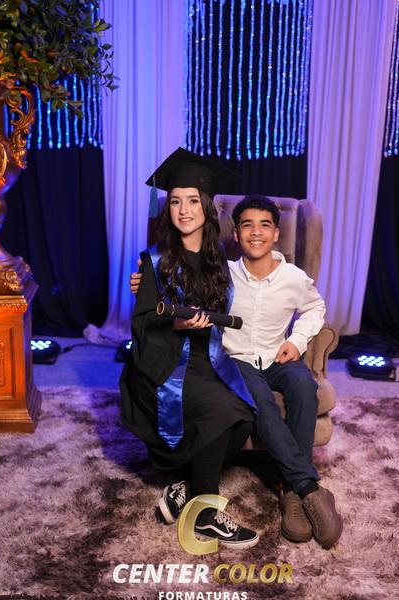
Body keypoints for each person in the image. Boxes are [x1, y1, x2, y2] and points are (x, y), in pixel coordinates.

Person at [131, 193, 343, 550]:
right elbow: (181, 281)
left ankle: (291, 488)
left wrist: (298, 340)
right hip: (238, 361)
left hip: (278, 358)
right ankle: (307, 488)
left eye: (265, 225)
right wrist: (145, 281)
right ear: (237, 233)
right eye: (247, 225)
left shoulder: (294, 277)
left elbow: (315, 308)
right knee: (262, 404)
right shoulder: (223, 274)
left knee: (304, 386)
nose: (256, 232)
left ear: (276, 234)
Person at [120, 148, 259, 549]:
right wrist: (176, 323)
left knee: (245, 415)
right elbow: (141, 327)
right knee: (222, 412)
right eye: (176, 201)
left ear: (207, 207)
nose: (183, 210)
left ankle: (184, 486)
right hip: (164, 365)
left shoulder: (220, 260)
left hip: (208, 360)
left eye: (193, 201)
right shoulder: (153, 261)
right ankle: (206, 514)